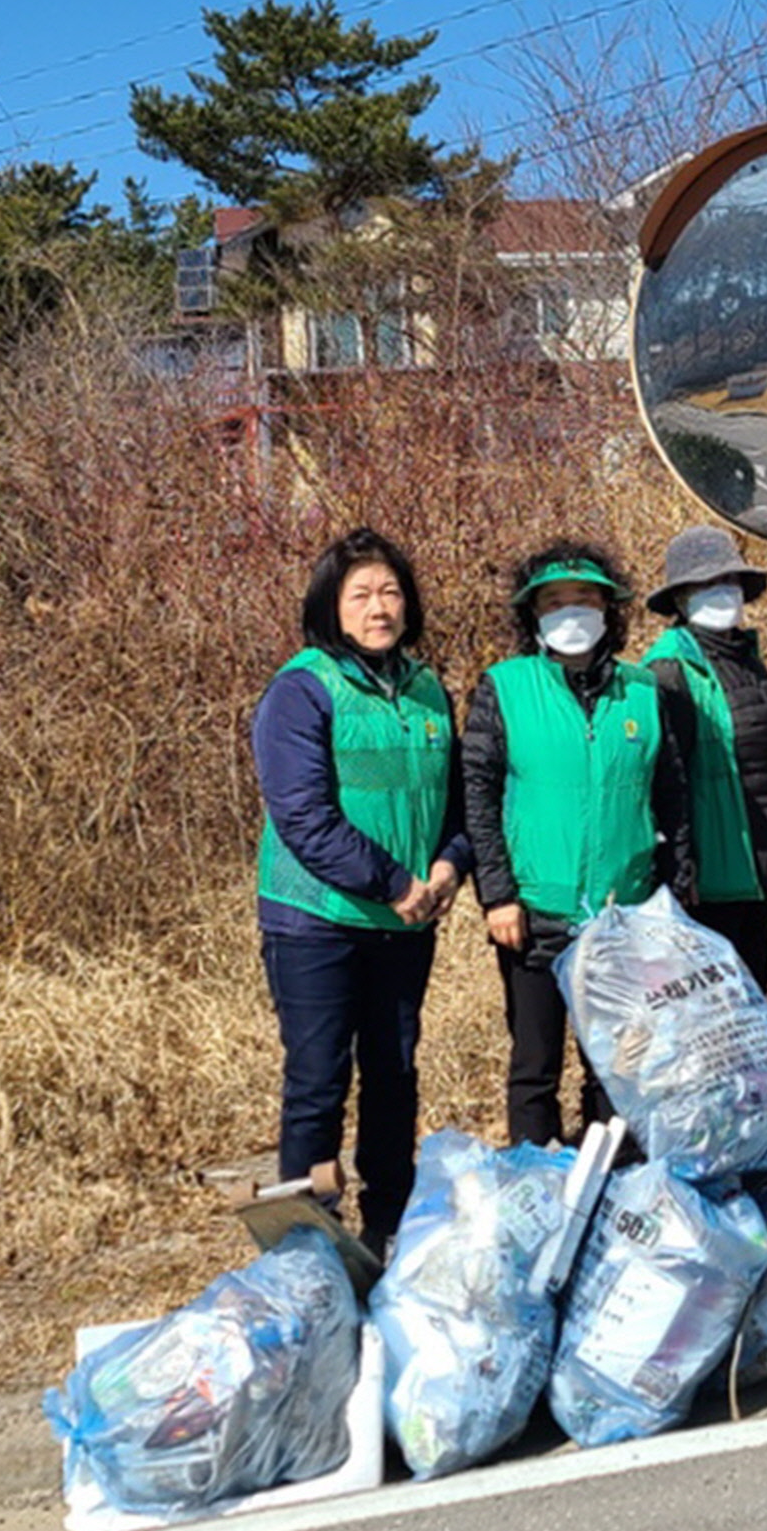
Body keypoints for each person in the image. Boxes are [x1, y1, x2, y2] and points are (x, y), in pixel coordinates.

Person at [251, 528, 471, 1256]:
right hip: (318, 919)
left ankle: (390, 1224)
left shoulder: (428, 688)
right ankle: (306, 1240)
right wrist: (394, 881)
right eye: (362, 595)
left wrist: (447, 865)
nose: (380, 607)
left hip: (407, 920)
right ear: (331, 607)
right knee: (319, 1077)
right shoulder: (303, 688)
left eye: (391, 591)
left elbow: (457, 803)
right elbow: (304, 816)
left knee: (395, 1071)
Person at [460, 541, 693, 1148]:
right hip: (536, 911)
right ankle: (536, 1181)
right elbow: (478, 796)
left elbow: (671, 795)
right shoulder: (505, 688)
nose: (571, 613)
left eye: (584, 600)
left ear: (608, 610)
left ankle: (611, 1186)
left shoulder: (642, 691)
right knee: (535, 1064)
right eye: (555, 602)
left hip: (623, 913)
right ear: (533, 614)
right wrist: (498, 895)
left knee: (615, 1065)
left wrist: (674, 897)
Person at [641, 523, 767, 990]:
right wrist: (680, 866)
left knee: (751, 989)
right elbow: (667, 778)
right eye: (707, 585)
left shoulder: (740, 657)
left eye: (729, 582)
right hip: (711, 869)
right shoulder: (672, 669)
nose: (723, 593)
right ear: (680, 598)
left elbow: (757, 737)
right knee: (717, 1001)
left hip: (754, 856)